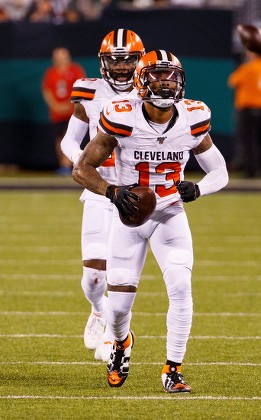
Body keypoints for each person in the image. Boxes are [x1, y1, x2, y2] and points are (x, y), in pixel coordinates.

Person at [72, 49, 229, 392]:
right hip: (128, 217)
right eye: (158, 75)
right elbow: (81, 168)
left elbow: (220, 171)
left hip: (170, 212)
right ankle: (121, 343)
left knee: (181, 288)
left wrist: (199, 189)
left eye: (171, 75)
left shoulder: (194, 117)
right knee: (117, 309)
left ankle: (173, 369)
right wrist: (112, 192)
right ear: (142, 82)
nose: (166, 82)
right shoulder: (122, 116)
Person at [60, 29, 145, 361]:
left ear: (139, 60)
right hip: (99, 190)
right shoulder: (89, 91)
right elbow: (69, 141)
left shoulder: (151, 92)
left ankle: (115, 335)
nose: (122, 67)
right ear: (103, 62)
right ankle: (98, 310)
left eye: (128, 60)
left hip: (134, 192)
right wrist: (84, 165)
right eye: (115, 60)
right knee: (95, 277)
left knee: (122, 275)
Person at [227, 29, 261, 178]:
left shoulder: (248, 68)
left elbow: (232, 81)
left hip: (248, 109)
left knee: (249, 142)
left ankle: (252, 172)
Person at [41, 47, 86, 175]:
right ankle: (63, 165)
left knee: (71, 137)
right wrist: (55, 105)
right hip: (56, 113)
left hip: (73, 112)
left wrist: (69, 104)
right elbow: (47, 90)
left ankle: (68, 165)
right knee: (59, 139)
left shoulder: (75, 70)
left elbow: (81, 88)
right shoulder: (51, 72)